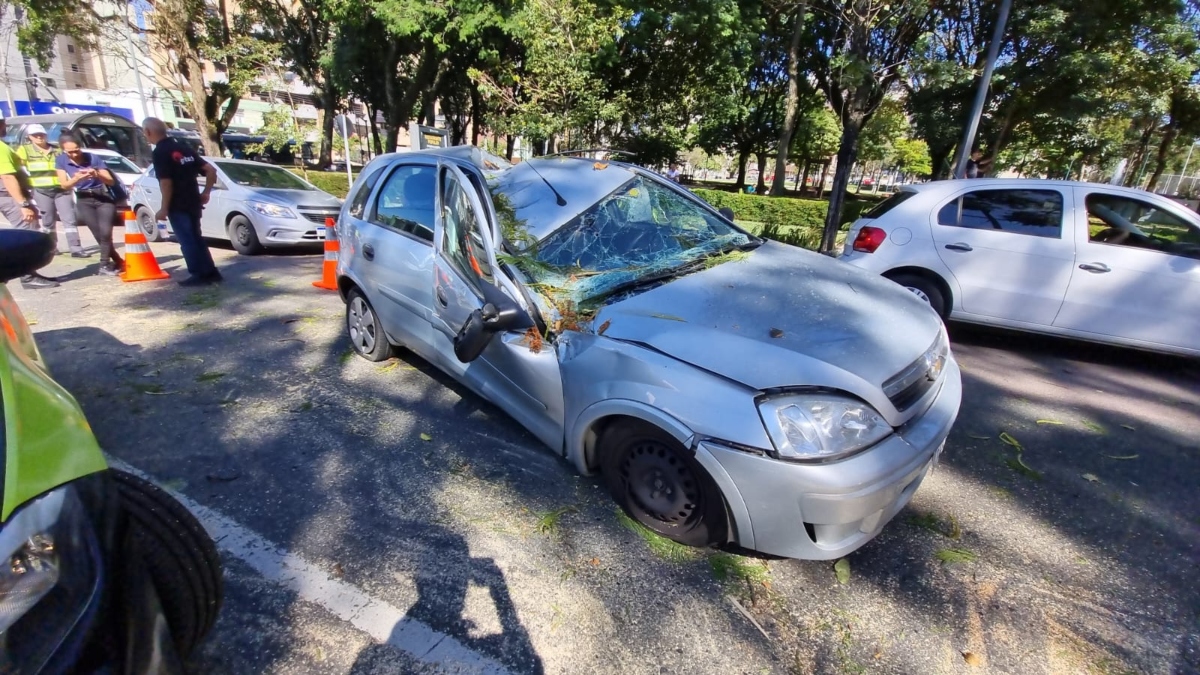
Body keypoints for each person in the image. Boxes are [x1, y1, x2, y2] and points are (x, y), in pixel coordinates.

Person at [142, 117, 221, 286]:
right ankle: (210, 271)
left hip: (178, 204)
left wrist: (164, 208)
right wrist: (206, 192)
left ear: (148, 132)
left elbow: (166, 182)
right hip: (193, 201)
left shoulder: (160, 152)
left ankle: (198, 274)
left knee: (187, 240)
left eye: (144, 133)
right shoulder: (183, 148)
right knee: (196, 237)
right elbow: (210, 170)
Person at [0, 117, 57, 288]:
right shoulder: (1, 148)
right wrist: (24, 204)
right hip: (9, 196)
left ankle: (28, 274)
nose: (6, 126)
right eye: (3, 123)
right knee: (27, 231)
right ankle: (27, 276)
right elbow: (8, 177)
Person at [56, 133, 124, 276]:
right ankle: (118, 261)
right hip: (84, 198)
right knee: (98, 235)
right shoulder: (61, 160)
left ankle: (104, 265)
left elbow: (110, 181)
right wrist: (76, 178)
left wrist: (97, 174)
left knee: (106, 233)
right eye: (70, 152)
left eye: (77, 150)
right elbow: (64, 185)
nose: (74, 154)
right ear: (63, 150)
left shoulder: (92, 157)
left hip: (103, 196)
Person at [18, 124, 89, 258]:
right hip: (41, 191)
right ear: (29, 137)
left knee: (69, 219)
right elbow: (19, 169)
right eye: (35, 135)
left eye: (41, 134)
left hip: (61, 190)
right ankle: (51, 247)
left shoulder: (57, 150)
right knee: (48, 221)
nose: (39, 137)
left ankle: (76, 248)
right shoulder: (25, 150)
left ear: (46, 135)